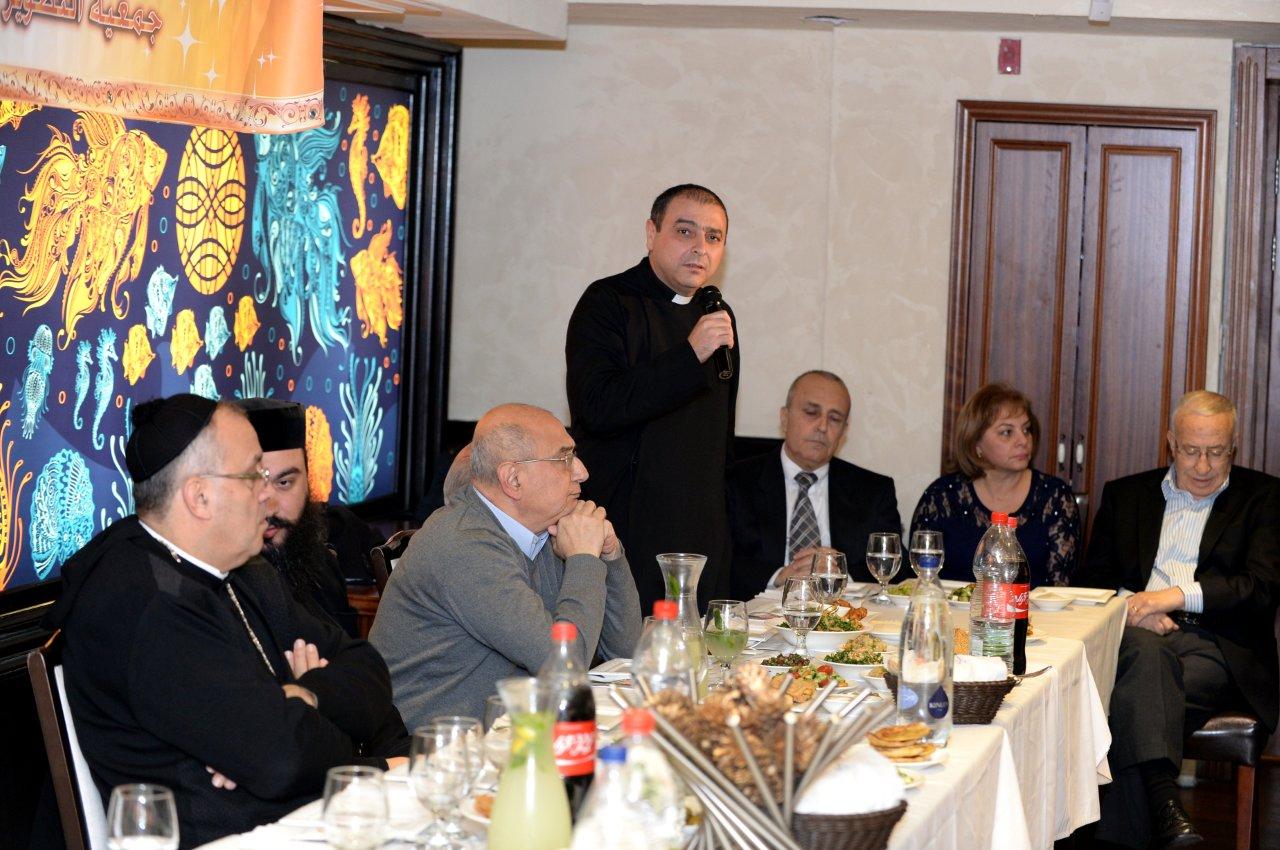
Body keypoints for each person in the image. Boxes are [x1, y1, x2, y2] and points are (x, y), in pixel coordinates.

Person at [43, 394, 408, 849]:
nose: (267, 494)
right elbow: (282, 758)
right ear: (199, 496)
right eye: (254, 475)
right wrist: (361, 759)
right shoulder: (143, 604)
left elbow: (368, 670)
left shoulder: (245, 570)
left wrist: (305, 695)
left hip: (296, 819)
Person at [1076, 390, 1280, 848]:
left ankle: (1119, 831)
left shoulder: (1263, 497)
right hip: (1135, 638)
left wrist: (1172, 597)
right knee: (1145, 662)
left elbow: (1262, 587)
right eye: (1191, 451)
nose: (1203, 466)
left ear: (1234, 446)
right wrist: (1137, 608)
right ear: (1171, 442)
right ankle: (1166, 804)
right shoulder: (1127, 495)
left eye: (1217, 452)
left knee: (1127, 699)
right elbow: (1092, 584)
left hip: (1216, 646)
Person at [369, 403, 642, 726]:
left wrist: (609, 554)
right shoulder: (463, 546)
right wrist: (583, 557)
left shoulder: (545, 529)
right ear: (513, 479)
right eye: (564, 458)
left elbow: (627, 653)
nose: (582, 472)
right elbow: (566, 666)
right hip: (438, 746)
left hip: (511, 729)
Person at [566, 184, 738, 614]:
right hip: (628, 529)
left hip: (701, 531)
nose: (700, 248)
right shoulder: (607, 302)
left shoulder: (715, 314)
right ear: (651, 233)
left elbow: (719, 438)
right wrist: (689, 356)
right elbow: (597, 407)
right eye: (685, 231)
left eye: (713, 237)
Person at [727, 370, 900, 598]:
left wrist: (840, 573)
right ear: (784, 418)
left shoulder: (873, 491)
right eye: (811, 412)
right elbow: (719, 559)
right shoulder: (735, 481)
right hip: (757, 610)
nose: (822, 426)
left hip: (843, 613)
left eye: (834, 418)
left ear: (844, 431)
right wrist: (780, 576)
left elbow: (896, 570)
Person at [910, 382, 1079, 586]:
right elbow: (921, 581)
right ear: (976, 443)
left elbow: (1061, 589)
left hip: (1030, 608)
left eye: (1026, 429)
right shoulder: (941, 497)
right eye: (1007, 432)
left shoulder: (1055, 496)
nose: (1023, 440)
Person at [234, 398, 360, 637]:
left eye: (284, 483)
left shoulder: (322, 566)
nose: (270, 508)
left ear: (307, 481)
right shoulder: (209, 592)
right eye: (252, 484)